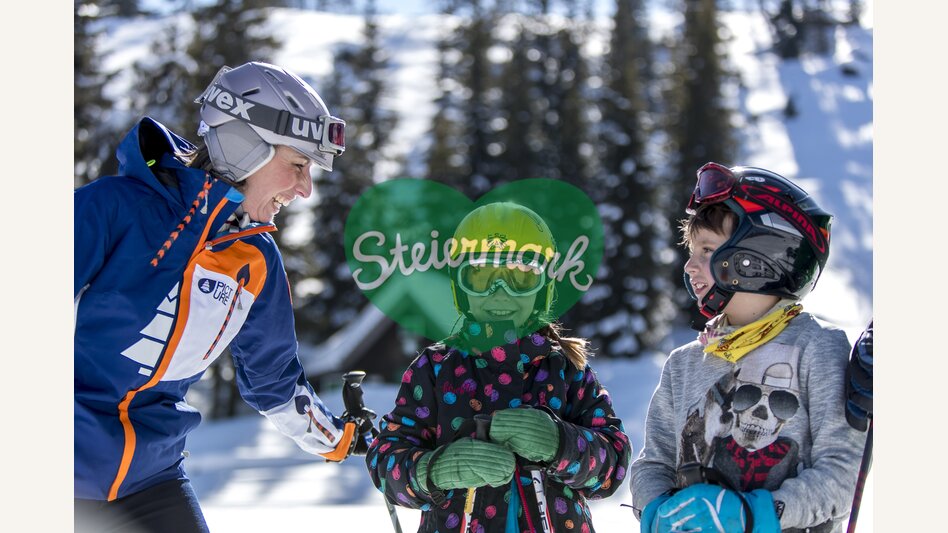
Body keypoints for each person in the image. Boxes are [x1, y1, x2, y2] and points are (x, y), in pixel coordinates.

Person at [74, 61, 371, 532]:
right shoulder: (113, 209)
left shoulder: (254, 260)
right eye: (297, 165)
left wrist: (343, 438)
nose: (305, 189)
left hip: (149, 480)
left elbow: (274, 383)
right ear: (245, 146)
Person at [365, 202, 632, 533]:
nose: (500, 291)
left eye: (521, 277)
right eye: (481, 275)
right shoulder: (434, 369)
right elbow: (384, 458)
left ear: (544, 288)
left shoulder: (565, 370)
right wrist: (435, 469)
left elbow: (614, 461)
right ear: (461, 287)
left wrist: (560, 443)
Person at [628, 162, 866, 532]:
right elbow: (653, 464)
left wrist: (756, 513)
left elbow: (843, 471)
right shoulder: (685, 364)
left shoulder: (816, 348)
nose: (689, 266)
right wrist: (657, 509)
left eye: (706, 250)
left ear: (759, 254)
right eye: (691, 252)